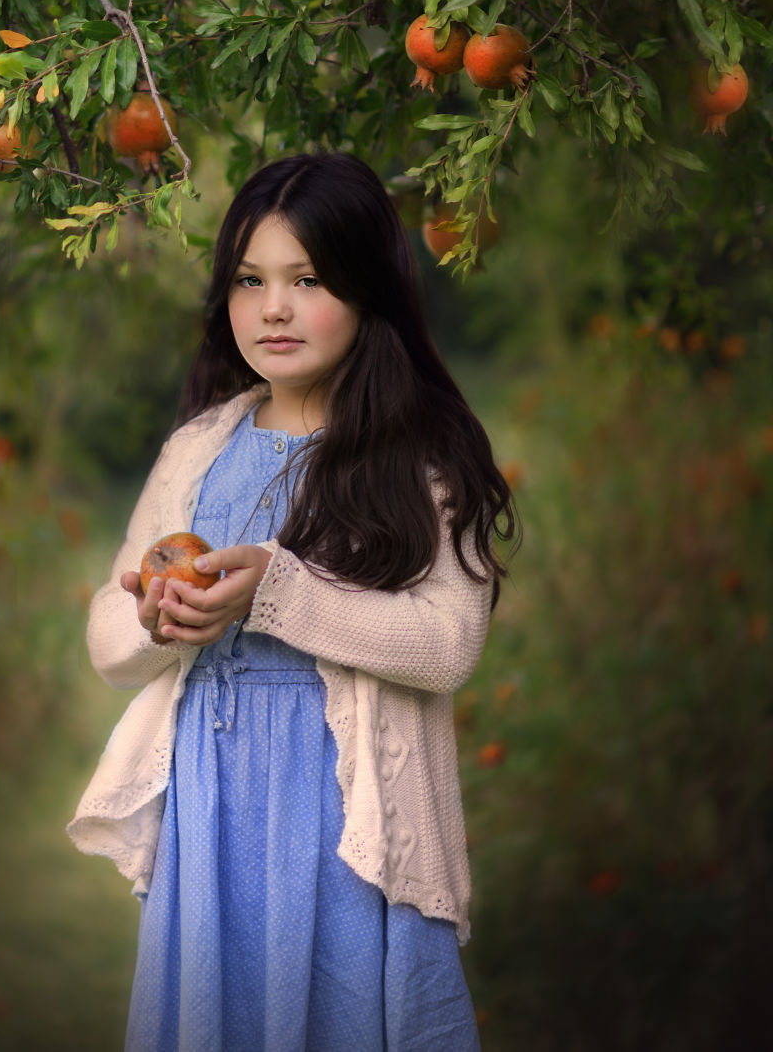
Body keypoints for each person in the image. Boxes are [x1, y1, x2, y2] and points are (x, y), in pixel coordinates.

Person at [67, 152, 517, 1052]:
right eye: (250, 279)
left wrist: (278, 592)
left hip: (344, 820)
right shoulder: (200, 447)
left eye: (306, 279)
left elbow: (446, 642)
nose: (273, 307)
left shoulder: (417, 453)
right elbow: (108, 628)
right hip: (214, 803)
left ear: (366, 290)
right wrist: (157, 618)